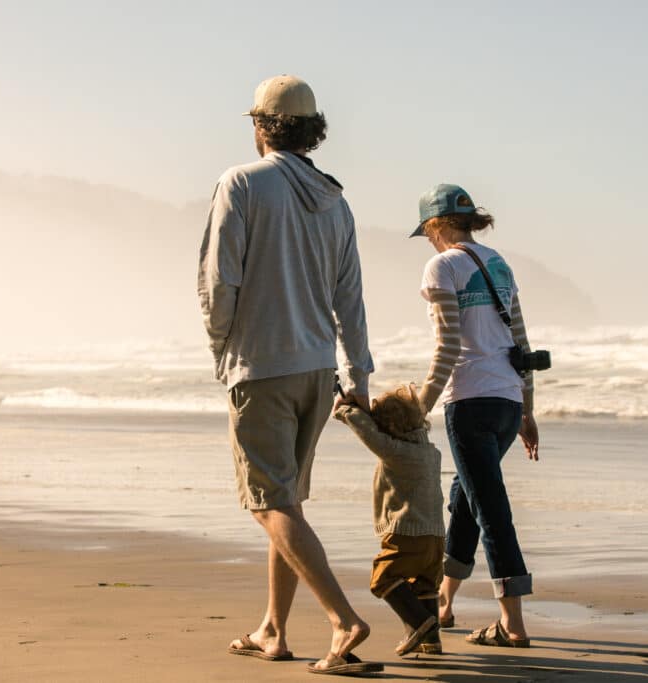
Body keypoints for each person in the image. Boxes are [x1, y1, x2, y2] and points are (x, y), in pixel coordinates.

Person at [198, 75, 380, 676]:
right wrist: (359, 374)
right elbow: (350, 299)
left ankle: (342, 620)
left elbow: (219, 280)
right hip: (318, 369)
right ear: (312, 130)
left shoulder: (242, 183)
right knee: (289, 501)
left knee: (268, 500)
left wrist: (222, 347)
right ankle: (273, 628)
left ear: (261, 126)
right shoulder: (336, 201)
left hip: (263, 365)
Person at [410, 183, 540, 648]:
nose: (428, 240)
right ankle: (444, 601)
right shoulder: (498, 263)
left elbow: (447, 345)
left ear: (437, 225)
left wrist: (421, 405)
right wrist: (527, 409)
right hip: (506, 401)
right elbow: (521, 341)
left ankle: (512, 625)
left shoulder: (441, 266)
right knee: (466, 496)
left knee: (490, 509)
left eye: (427, 231)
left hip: (468, 401)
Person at [333, 383, 445, 656]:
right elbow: (379, 433)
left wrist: (347, 411)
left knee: (383, 579)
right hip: (437, 538)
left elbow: (370, 436)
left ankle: (420, 624)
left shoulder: (395, 452)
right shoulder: (432, 453)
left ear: (388, 428)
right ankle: (431, 641)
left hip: (407, 533)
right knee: (425, 585)